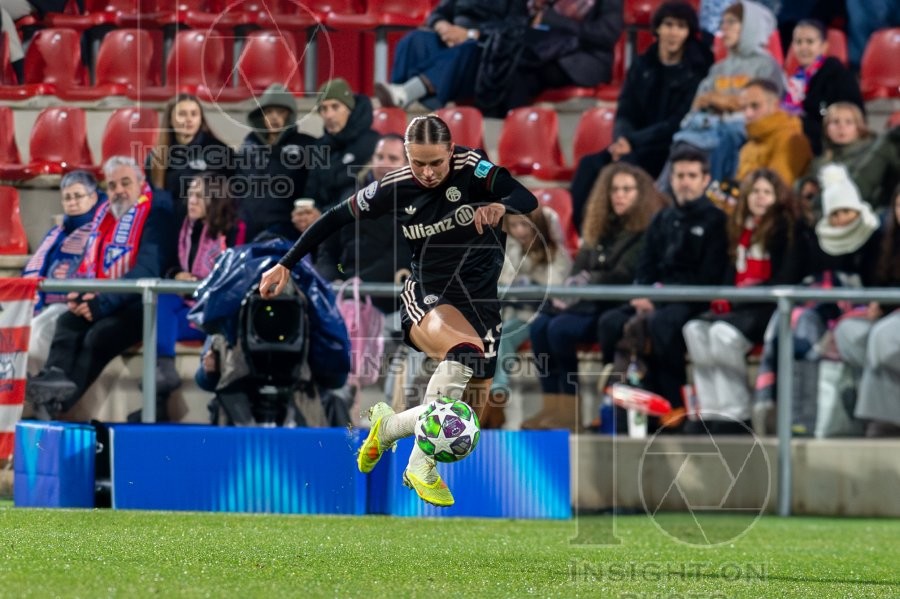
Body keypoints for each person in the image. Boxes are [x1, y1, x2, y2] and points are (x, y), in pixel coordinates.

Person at [259, 114, 538, 507]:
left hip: (482, 305)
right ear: (407, 155)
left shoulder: (473, 168)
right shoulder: (393, 186)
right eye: (417, 162)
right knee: (464, 353)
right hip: (428, 295)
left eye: (435, 163)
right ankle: (419, 467)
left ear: (451, 151)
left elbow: (527, 198)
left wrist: (498, 204)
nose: (427, 172)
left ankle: (388, 428)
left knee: (465, 421)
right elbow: (334, 218)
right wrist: (285, 263)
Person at [24, 156, 174, 421]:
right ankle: (51, 380)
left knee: (98, 335)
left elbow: (146, 271)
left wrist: (101, 302)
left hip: (140, 305)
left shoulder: (155, 213)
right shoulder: (106, 214)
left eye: (126, 183)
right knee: (68, 321)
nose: (119, 190)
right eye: (112, 185)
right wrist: (82, 295)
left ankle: (56, 404)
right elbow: (91, 262)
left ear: (141, 183)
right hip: (105, 299)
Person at [527, 163, 668, 431]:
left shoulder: (645, 230)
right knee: (539, 326)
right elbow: (581, 266)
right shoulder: (599, 225)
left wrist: (588, 279)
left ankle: (571, 409)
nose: (619, 195)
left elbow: (624, 274)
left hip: (614, 305)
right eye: (615, 190)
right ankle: (553, 405)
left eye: (627, 189)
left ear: (640, 194)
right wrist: (576, 283)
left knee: (559, 329)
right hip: (587, 302)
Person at [595, 147, 729, 423]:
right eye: (679, 175)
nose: (685, 182)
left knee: (662, 324)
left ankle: (674, 402)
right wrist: (642, 294)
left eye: (692, 175)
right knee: (610, 321)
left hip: (694, 299)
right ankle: (616, 401)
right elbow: (646, 265)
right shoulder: (662, 218)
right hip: (657, 296)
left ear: (705, 180)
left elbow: (709, 276)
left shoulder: (716, 221)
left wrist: (656, 300)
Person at [683, 168, 811, 433]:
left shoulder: (789, 228)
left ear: (778, 197)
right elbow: (728, 274)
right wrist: (725, 297)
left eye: (767, 192)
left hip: (769, 307)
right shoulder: (737, 229)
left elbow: (786, 279)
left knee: (722, 334)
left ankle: (736, 413)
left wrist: (739, 298)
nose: (760, 197)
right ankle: (710, 410)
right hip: (739, 305)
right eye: (755, 192)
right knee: (693, 329)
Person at [570, 0, 713, 225]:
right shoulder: (643, 63)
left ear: (689, 32)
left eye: (681, 26)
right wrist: (621, 140)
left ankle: (628, 231)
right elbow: (626, 109)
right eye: (668, 24)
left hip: (667, 146)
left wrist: (632, 142)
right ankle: (584, 233)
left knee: (626, 167)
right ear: (658, 28)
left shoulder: (697, 69)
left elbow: (677, 122)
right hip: (633, 143)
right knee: (590, 165)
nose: (673, 32)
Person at [667, 0, 785, 183]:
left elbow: (759, 106)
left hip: (746, 128)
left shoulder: (767, 65)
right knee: (683, 139)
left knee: (727, 134)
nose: (724, 28)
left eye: (731, 22)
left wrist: (717, 100)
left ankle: (714, 191)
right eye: (723, 22)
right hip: (711, 126)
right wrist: (724, 102)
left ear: (749, 26)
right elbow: (699, 102)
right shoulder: (719, 68)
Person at [153, 172, 244, 400]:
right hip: (187, 308)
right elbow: (168, 265)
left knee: (166, 325)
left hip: (215, 314)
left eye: (199, 196)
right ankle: (164, 371)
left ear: (216, 200)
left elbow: (237, 277)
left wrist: (202, 284)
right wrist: (177, 275)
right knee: (163, 299)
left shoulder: (236, 229)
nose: (191, 201)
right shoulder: (184, 226)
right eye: (190, 194)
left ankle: (162, 399)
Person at [493, 206, 572, 428]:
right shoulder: (510, 249)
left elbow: (555, 288)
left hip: (542, 315)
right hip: (514, 313)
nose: (519, 231)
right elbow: (502, 282)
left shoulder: (556, 253)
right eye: (514, 225)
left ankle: (497, 390)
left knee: (505, 335)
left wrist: (531, 281)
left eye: (524, 225)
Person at [834, 184, 900, 437]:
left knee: (882, 337)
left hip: (891, 316)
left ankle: (880, 418)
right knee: (848, 332)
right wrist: (876, 305)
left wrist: (884, 305)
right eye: (899, 205)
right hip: (889, 313)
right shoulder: (888, 241)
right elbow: (878, 282)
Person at [374, 0, 524, 110]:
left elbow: (514, 29)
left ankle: (406, 94)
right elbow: (438, 13)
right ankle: (397, 93)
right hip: (451, 37)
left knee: (465, 50)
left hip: (484, 45)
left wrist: (469, 34)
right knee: (414, 39)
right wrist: (443, 27)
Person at [23, 170, 102, 374]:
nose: (72, 202)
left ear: (93, 197)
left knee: (36, 332)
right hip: (44, 303)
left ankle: (39, 386)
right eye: (67, 197)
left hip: (74, 305)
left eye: (78, 196)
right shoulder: (55, 233)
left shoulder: (100, 229)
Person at [498, 0, 623, 111]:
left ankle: (517, 124)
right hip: (551, 50)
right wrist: (537, 9)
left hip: (586, 60)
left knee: (522, 72)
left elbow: (607, 34)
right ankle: (503, 121)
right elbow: (538, 23)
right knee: (508, 62)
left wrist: (559, 21)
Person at [292, 78, 381, 235]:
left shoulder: (372, 143)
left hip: (360, 230)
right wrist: (306, 214)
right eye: (323, 109)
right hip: (326, 229)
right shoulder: (319, 147)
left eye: (335, 107)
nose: (329, 115)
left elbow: (357, 194)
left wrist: (322, 215)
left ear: (349, 109)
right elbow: (311, 191)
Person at [233, 83, 317, 241]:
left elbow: (314, 188)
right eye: (269, 112)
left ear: (290, 115)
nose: (274, 117)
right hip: (249, 229)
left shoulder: (306, 145)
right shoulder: (248, 145)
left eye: (280, 112)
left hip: (288, 231)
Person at [147, 93, 233, 225]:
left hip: (209, 225)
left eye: (194, 114)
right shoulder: (156, 157)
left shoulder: (220, 152)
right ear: (170, 120)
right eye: (182, 114)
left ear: (201, 119)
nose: (189, 119)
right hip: (170, 224)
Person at [783, 19, 863, 155]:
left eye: (809, 42)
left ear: (823, 46)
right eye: (798, 42)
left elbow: (852, 118)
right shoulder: (796, 79)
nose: (803, 47)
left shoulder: (839, 76)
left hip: (828, 143)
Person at [735, 78, 813, 184]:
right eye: (743, 108)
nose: (748, 114)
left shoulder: (791, 140)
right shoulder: (748, 147)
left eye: (755, 106)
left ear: (775, 105)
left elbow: (778, 187)